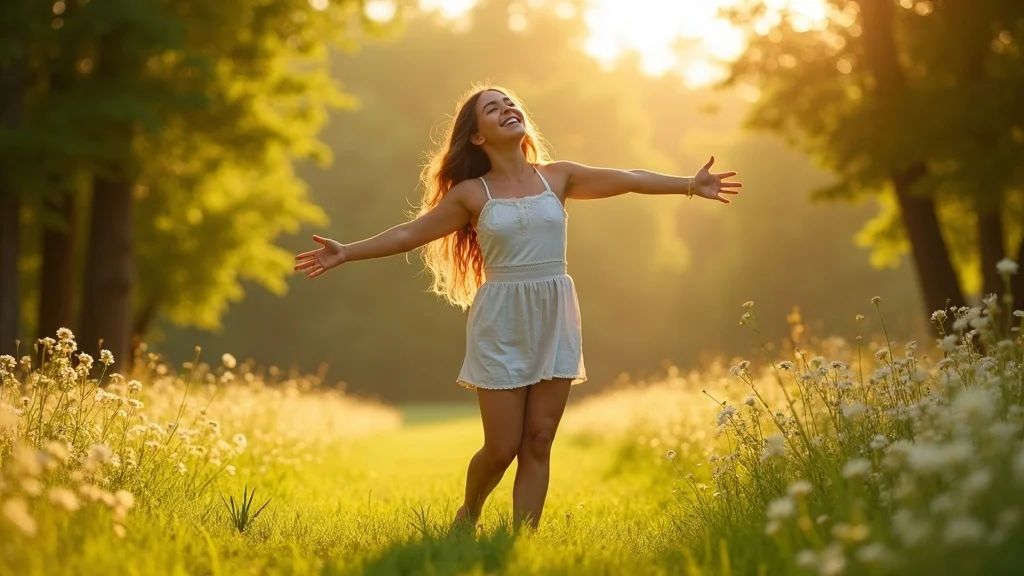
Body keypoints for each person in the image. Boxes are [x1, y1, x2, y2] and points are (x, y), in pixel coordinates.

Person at [293, 85, 742, 530]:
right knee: (501, 447)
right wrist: (346, 252)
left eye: (509, 102)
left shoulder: (558, 177)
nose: (507, 108)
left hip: (555, 315)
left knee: (539, 439)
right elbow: (410, 234)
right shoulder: (471, 194)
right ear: (478, 136)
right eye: (493, 108)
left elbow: (630, 178)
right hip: (502, 321)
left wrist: (688, 184)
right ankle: (469, 513)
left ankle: (521, 540)